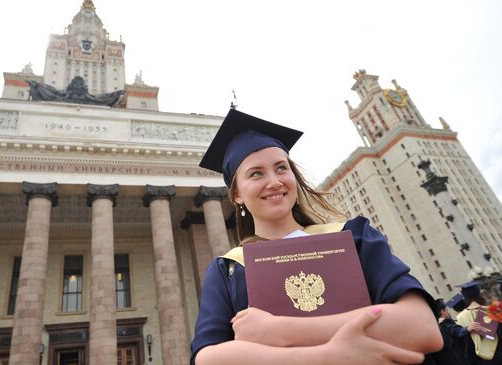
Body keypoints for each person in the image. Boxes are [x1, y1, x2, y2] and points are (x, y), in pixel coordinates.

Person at [190, 109, 443, 364]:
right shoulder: (229, 268)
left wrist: (281, 331)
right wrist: (329, 355)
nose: (275, 181)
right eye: (256, 173)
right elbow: (207, 358)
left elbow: (423, 327)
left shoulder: (353, 236)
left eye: (282, 168)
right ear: (237, 195)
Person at [455, 281, 501, 364]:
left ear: (464, 297)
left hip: (478, 358)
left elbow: (464, 340)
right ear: (479, 294)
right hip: (499, 352)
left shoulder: (460, 317)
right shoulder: (491, 309)